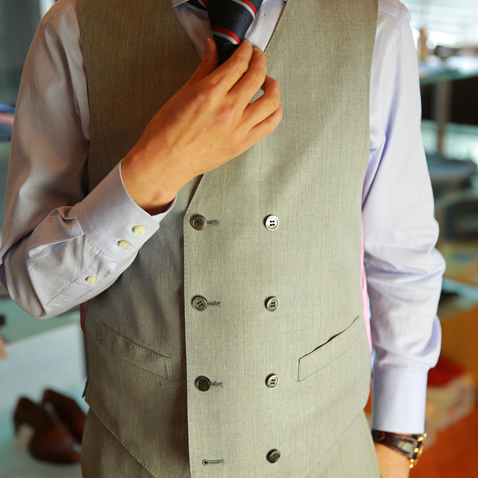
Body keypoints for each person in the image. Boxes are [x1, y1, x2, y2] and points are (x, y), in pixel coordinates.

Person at [0, 0, 445, 476]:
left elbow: (401, 252)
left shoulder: (376, 25)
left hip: (328, 455)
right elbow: (32, 285)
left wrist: (398, 436)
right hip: (137, 456)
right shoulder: (72, 27)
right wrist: (154, 170)